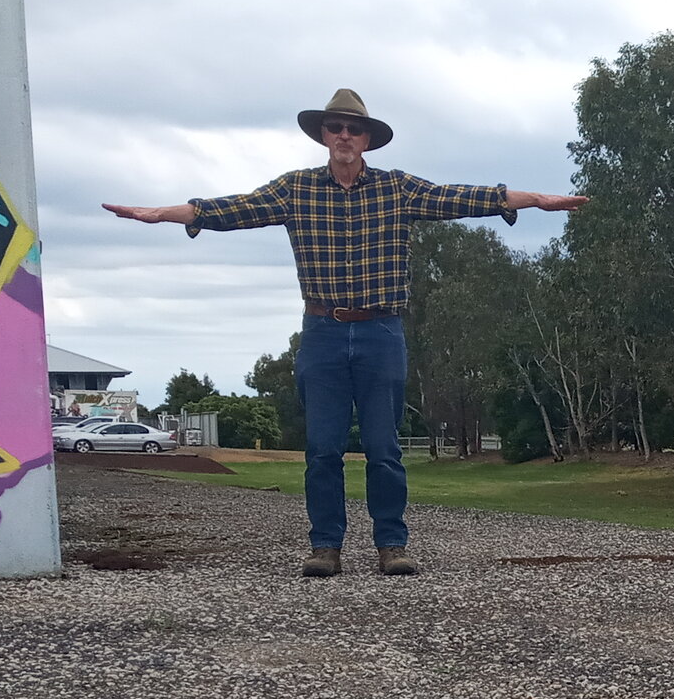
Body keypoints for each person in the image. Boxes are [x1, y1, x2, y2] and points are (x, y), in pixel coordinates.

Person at [102, 89, 585, 577]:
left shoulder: (399, 188)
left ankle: (391, 545)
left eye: (354, 129)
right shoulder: (296, 189)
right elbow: (232, 210)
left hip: (381, 332)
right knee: (323, 448)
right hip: (322, 333)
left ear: (368, 140)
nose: (344, 136)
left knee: (384, 448)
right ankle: (325, 547)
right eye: (335, 128)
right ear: (323, 135)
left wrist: (536, 200)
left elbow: (464, 197)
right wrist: (162, 213)